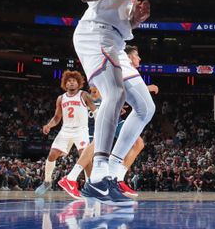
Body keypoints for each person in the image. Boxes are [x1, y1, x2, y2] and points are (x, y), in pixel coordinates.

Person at [75, 0, 151, 205]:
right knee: (116, 94)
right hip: (95, 33)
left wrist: (138, 18)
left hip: (117, 40)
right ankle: (97, 177)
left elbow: (126, 17)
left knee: (145, 107)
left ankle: (115, 172)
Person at [65, 46, 158, 198]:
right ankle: (72, 177)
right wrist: (147, 88)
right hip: (104, 114)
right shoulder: (115, 66)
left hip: (114, 114)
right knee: (98, 145)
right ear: (128, 57)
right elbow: (97, 92)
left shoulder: (124, 70)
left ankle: (116, 178)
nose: (139, 59)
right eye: (137, 55)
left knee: (137, 143)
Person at [35, 70, 96, 197]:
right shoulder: (61, 98)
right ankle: (47, 182)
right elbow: (57, 118)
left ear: (79, 83)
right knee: (52, 155)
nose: (72, 83)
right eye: (69, 81)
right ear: (65, 84)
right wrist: (49, 125)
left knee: (85, 157)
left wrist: (101, 124)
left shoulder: (84, 95)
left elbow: (95, 111)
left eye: (74, 81)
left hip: (81, 130)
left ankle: (90, 185)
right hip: (65, 130)